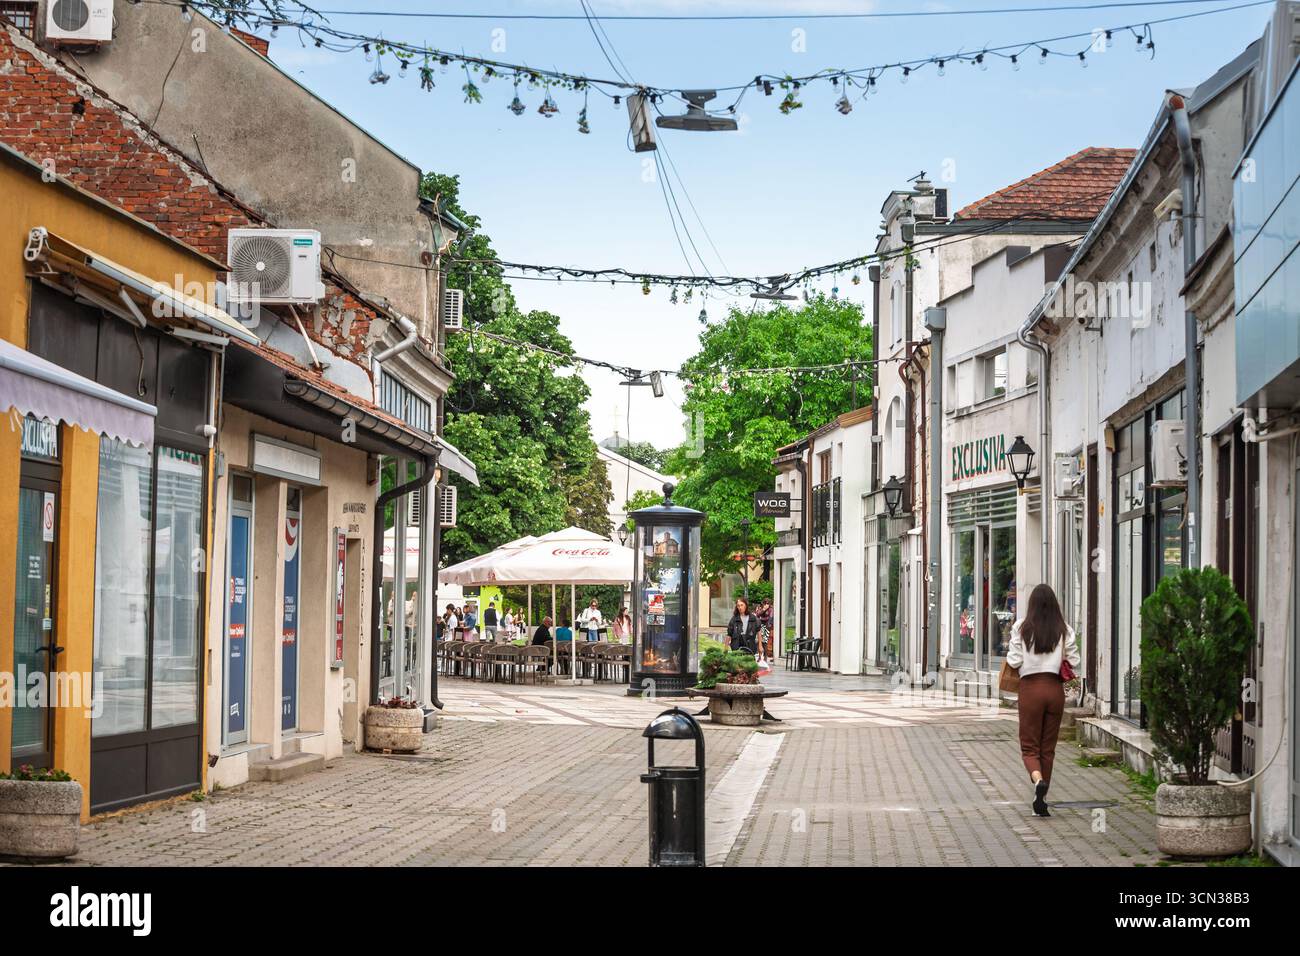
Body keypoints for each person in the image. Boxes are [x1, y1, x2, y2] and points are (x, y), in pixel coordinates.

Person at [1006, 583, 1081, 818]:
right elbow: (1075, 661)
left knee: (1030, 746)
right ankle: (1043, 800)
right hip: (1054, 690)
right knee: (1048, 748)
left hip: (1030, 690)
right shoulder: (1064, 629)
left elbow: (1014, 661)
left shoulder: (1022, 627)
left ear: (1032, 605)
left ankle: (1038, 781)